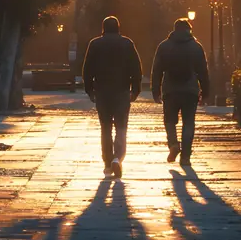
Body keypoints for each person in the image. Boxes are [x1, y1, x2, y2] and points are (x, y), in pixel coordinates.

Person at [82, 16, 142, 178]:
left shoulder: (95, 44)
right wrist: (135, 89)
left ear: (103, 28)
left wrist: (90, 90)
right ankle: (118, 158)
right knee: (121, 127)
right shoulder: (127, 43)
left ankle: (108, 162)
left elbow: (87, 70)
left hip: (102, 92)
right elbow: (136, 69)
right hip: (121, 91)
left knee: (105, 128)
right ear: (118, 27)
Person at [151, 18, 209, 166]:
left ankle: (173, 144)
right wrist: (205, 92)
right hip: (190, 90)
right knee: (188, 122)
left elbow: (157, 70)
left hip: (170, 90)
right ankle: (186, 157)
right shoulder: (196, 47)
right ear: (189, 30)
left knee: (169, 121)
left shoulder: (164, 46)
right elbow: (203, 71)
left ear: (174, 29)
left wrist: (155, 91)